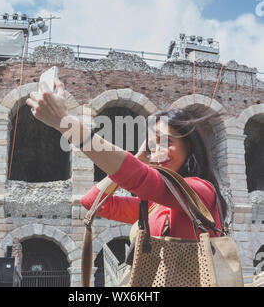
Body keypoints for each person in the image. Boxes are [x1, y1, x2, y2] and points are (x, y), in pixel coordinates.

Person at [26, 79, 228, 241]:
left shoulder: (201, 191)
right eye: (151, 146)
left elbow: (139, 178)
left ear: (190, 145)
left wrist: (66, 123)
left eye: (165, 141)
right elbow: (94, 202)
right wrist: (140, 159)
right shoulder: (155, 205)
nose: (158, 153)